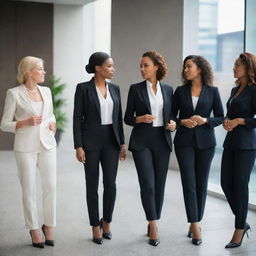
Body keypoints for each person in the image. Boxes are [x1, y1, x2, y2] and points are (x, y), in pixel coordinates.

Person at [0, 56, 57, 248]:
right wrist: (24, 122)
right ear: (28, 72)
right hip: (25, 148)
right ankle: (33, 228)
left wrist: (53, 124)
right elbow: (4, 124)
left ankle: (48, 226)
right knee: (29, 189)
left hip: (47, 145)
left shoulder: (47, 91)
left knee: (51, 186)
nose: (43, 72)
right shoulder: (14, 94)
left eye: (43, 69)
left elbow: (50, 115)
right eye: (40, 69)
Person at [73, 52, 126, 245]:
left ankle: (107, 223)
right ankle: (95, 226)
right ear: (98, 68)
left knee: (110, 185)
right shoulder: (83, 88)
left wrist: (122, 143)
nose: (113, 69)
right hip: (91, 143)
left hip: (111, 142)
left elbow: (118, 119)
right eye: (110, 66)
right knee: (92, 185)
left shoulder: (115, 89)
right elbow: (77, 118)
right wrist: (78, 145)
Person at [124, 50, 176, 246]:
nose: (142, 69)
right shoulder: (135, 89)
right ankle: (153, 224)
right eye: (141, 66)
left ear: (156, 66)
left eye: (146, 65)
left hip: (162, 141)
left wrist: (173, 124)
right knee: (148, 183)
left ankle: (153, 216)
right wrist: (140, 118)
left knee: (160, 185)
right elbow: (127, 118)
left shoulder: (169, 90)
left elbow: (173, 116)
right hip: (142, 142)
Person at [172, 55, 224, 245]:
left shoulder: (213, 91)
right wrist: (181, 122)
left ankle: (196, 219)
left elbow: (220, 116)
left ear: (200, 69)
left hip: (206, 144)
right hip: (184, 142)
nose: (185, 70)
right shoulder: (179, 91)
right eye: (185, 67)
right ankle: (195, 225)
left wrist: (205, 120)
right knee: (189, 183)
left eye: (189, 66)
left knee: (201, 184)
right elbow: (170, 116)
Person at [221, 52, 256, 249]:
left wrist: (240, 121)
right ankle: (243, 221)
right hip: (231, 141)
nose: (234, 68)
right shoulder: (235, 90)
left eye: (237, 65)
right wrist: (227, 121)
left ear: (248, 67)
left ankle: (238, 230)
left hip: (247, 144)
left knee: (240, 185)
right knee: (226, 182)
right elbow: (231, 114)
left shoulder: (254, 90)